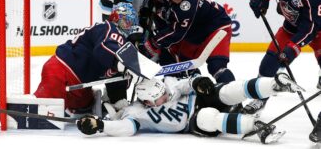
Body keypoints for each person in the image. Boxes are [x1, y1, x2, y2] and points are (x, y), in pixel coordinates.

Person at [76, 71, 304, 144]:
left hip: (202, 98)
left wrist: (198, 82)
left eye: (163, 93)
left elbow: (183, 84)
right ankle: (256, 126)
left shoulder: (165, 85)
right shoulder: (137, 113)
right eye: (158, 98)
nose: (165, 97)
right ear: (146, 102)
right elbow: (125, 127)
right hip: (192, 121)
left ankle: (274, 84)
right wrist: (100, 125)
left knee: (225, 91)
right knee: (207, 117)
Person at [242, 0, 321, 115]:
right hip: (291, 29)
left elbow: (311, 27)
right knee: (268, 64)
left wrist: (292, 49)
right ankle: (259, 99)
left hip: (317, 31)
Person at [34, 2, 139, 115]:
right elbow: (103, 49)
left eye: (131, 23)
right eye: (127, 22)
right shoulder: (109, 28)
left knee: (86, 107)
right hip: (61, 71)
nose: (129, 27)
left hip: (80, 86)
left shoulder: (121, 42)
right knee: (42, 110)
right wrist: (120, 64)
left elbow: (115, 73)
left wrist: (118, 99)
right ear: (116, 18)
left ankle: (99, 103)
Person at [142, 0, 235, 84]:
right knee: (184, 64)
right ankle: (192, 90)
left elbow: (176, 33)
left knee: (217, 67)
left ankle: (234, 100)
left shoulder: (187, 4)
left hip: (216, 25)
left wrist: (152, 43)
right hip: (194, 29)